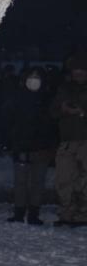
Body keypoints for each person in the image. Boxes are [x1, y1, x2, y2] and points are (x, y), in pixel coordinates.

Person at [4, 67, 58, 224]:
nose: (34, 80)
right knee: (20, 182)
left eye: (37, 77)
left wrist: (51, 146)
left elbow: (53, 124)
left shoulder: (48, 99)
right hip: (21, 146)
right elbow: (8, 122)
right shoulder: (16, 98)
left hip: (42, 148)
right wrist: (9, 143)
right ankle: (19, 213)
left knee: (38, 182)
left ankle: (34, 214)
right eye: (31, 76)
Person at [51, 54, 87, 226]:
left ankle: (83, 214)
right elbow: (52, 112)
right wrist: (63, 109)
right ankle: (66, 213)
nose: (79, 73)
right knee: (64, 179)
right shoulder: (64, 89)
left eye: (82, 70)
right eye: (76, 70)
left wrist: (82, 113)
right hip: (66, 141)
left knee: (84, 180)